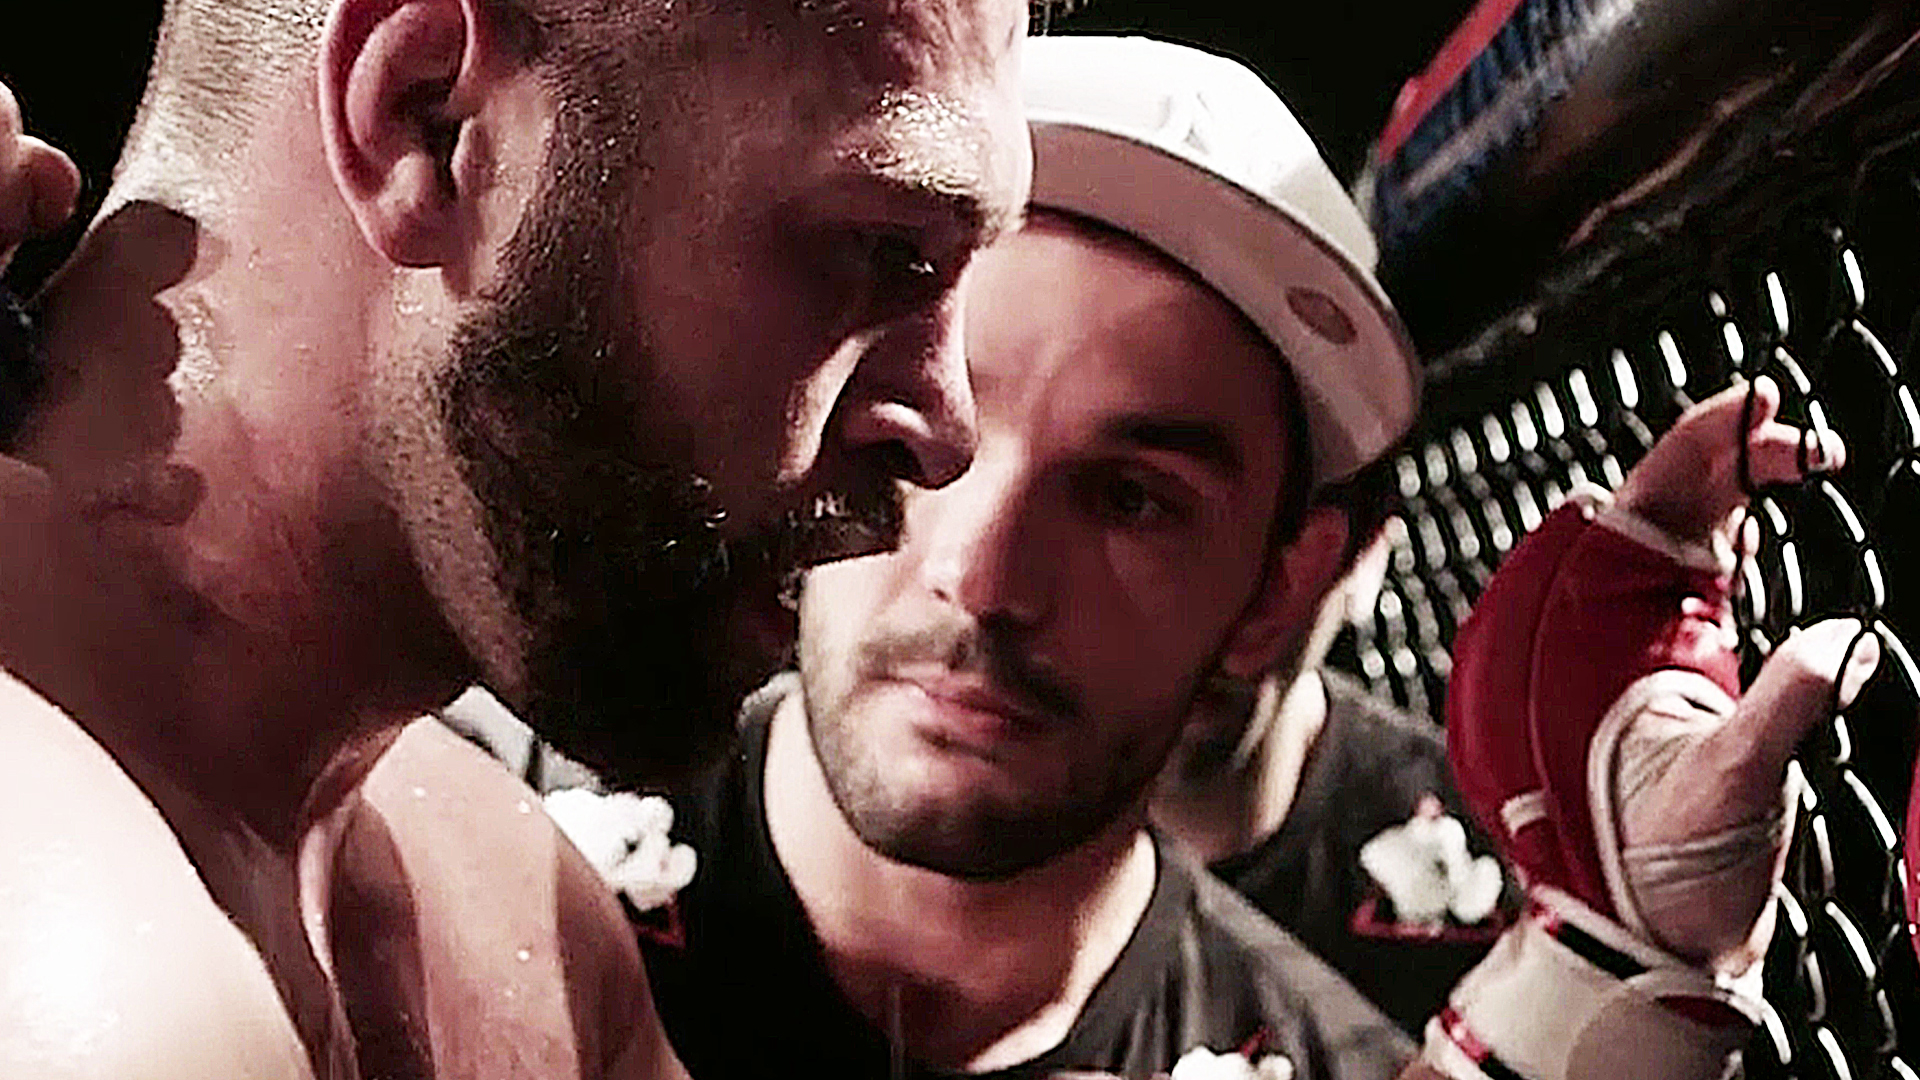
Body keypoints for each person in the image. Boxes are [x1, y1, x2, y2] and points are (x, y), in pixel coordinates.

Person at [0, 0, 1030, 1073]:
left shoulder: (527, 914)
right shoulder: (63, 932)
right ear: (429, 122)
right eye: (880, 245)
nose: (944, 431)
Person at [638, 34, 1425, 1078]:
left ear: (1277, 594)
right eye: (930, 434)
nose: (981, 579)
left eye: (1129, 500)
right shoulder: (466, 844)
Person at [1151, 503, 1513, 1037]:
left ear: (1366, 561)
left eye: (1280, 548)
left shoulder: (1504, 857)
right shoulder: (1021, 845)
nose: (1212, 609)